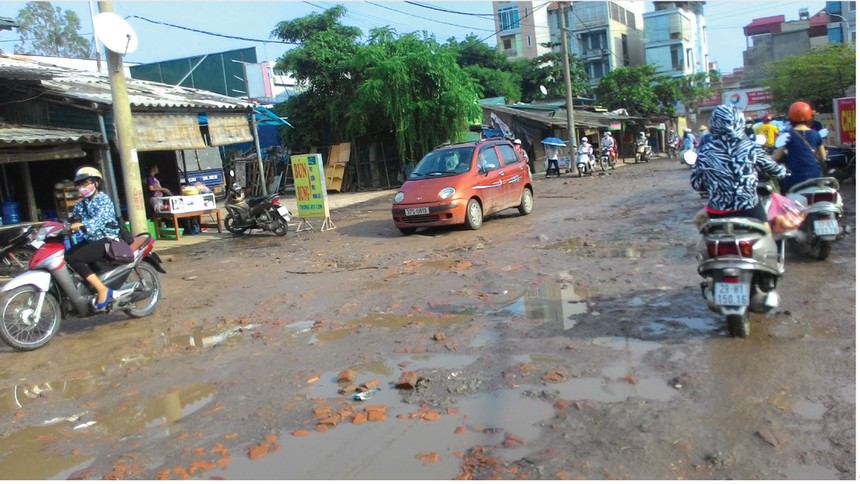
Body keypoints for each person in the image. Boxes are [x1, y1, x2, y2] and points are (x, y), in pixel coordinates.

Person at [691, 105, 786, 222]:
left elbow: (696, 184)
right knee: (768, 233)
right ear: (740, 122)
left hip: (717, 211)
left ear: (714, 123)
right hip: (748, 208)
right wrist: (782, 171)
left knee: (705, 232)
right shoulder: (751, 147)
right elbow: (773, 168)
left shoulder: (704, 151)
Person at [66, 166, 121, 310]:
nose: (81, 188)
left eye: (85, 184)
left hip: (107, 239)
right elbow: (72, 220)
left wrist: (82, 225)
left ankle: (103, 290)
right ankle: (93, 283)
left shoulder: (103, 199)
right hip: (91, 239)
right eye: (79, 185)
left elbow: (99, 220)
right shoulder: (81, 204)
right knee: (67, 255)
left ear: (95, 184)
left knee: (75, 259)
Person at [772, 101, 827, 193]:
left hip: (795, 178)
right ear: (810, 117)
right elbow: (823, 157)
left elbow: (776, 157)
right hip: (815, 176)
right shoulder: (816, 134)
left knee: (784, 195)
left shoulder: (787, 135)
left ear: (790, 118)